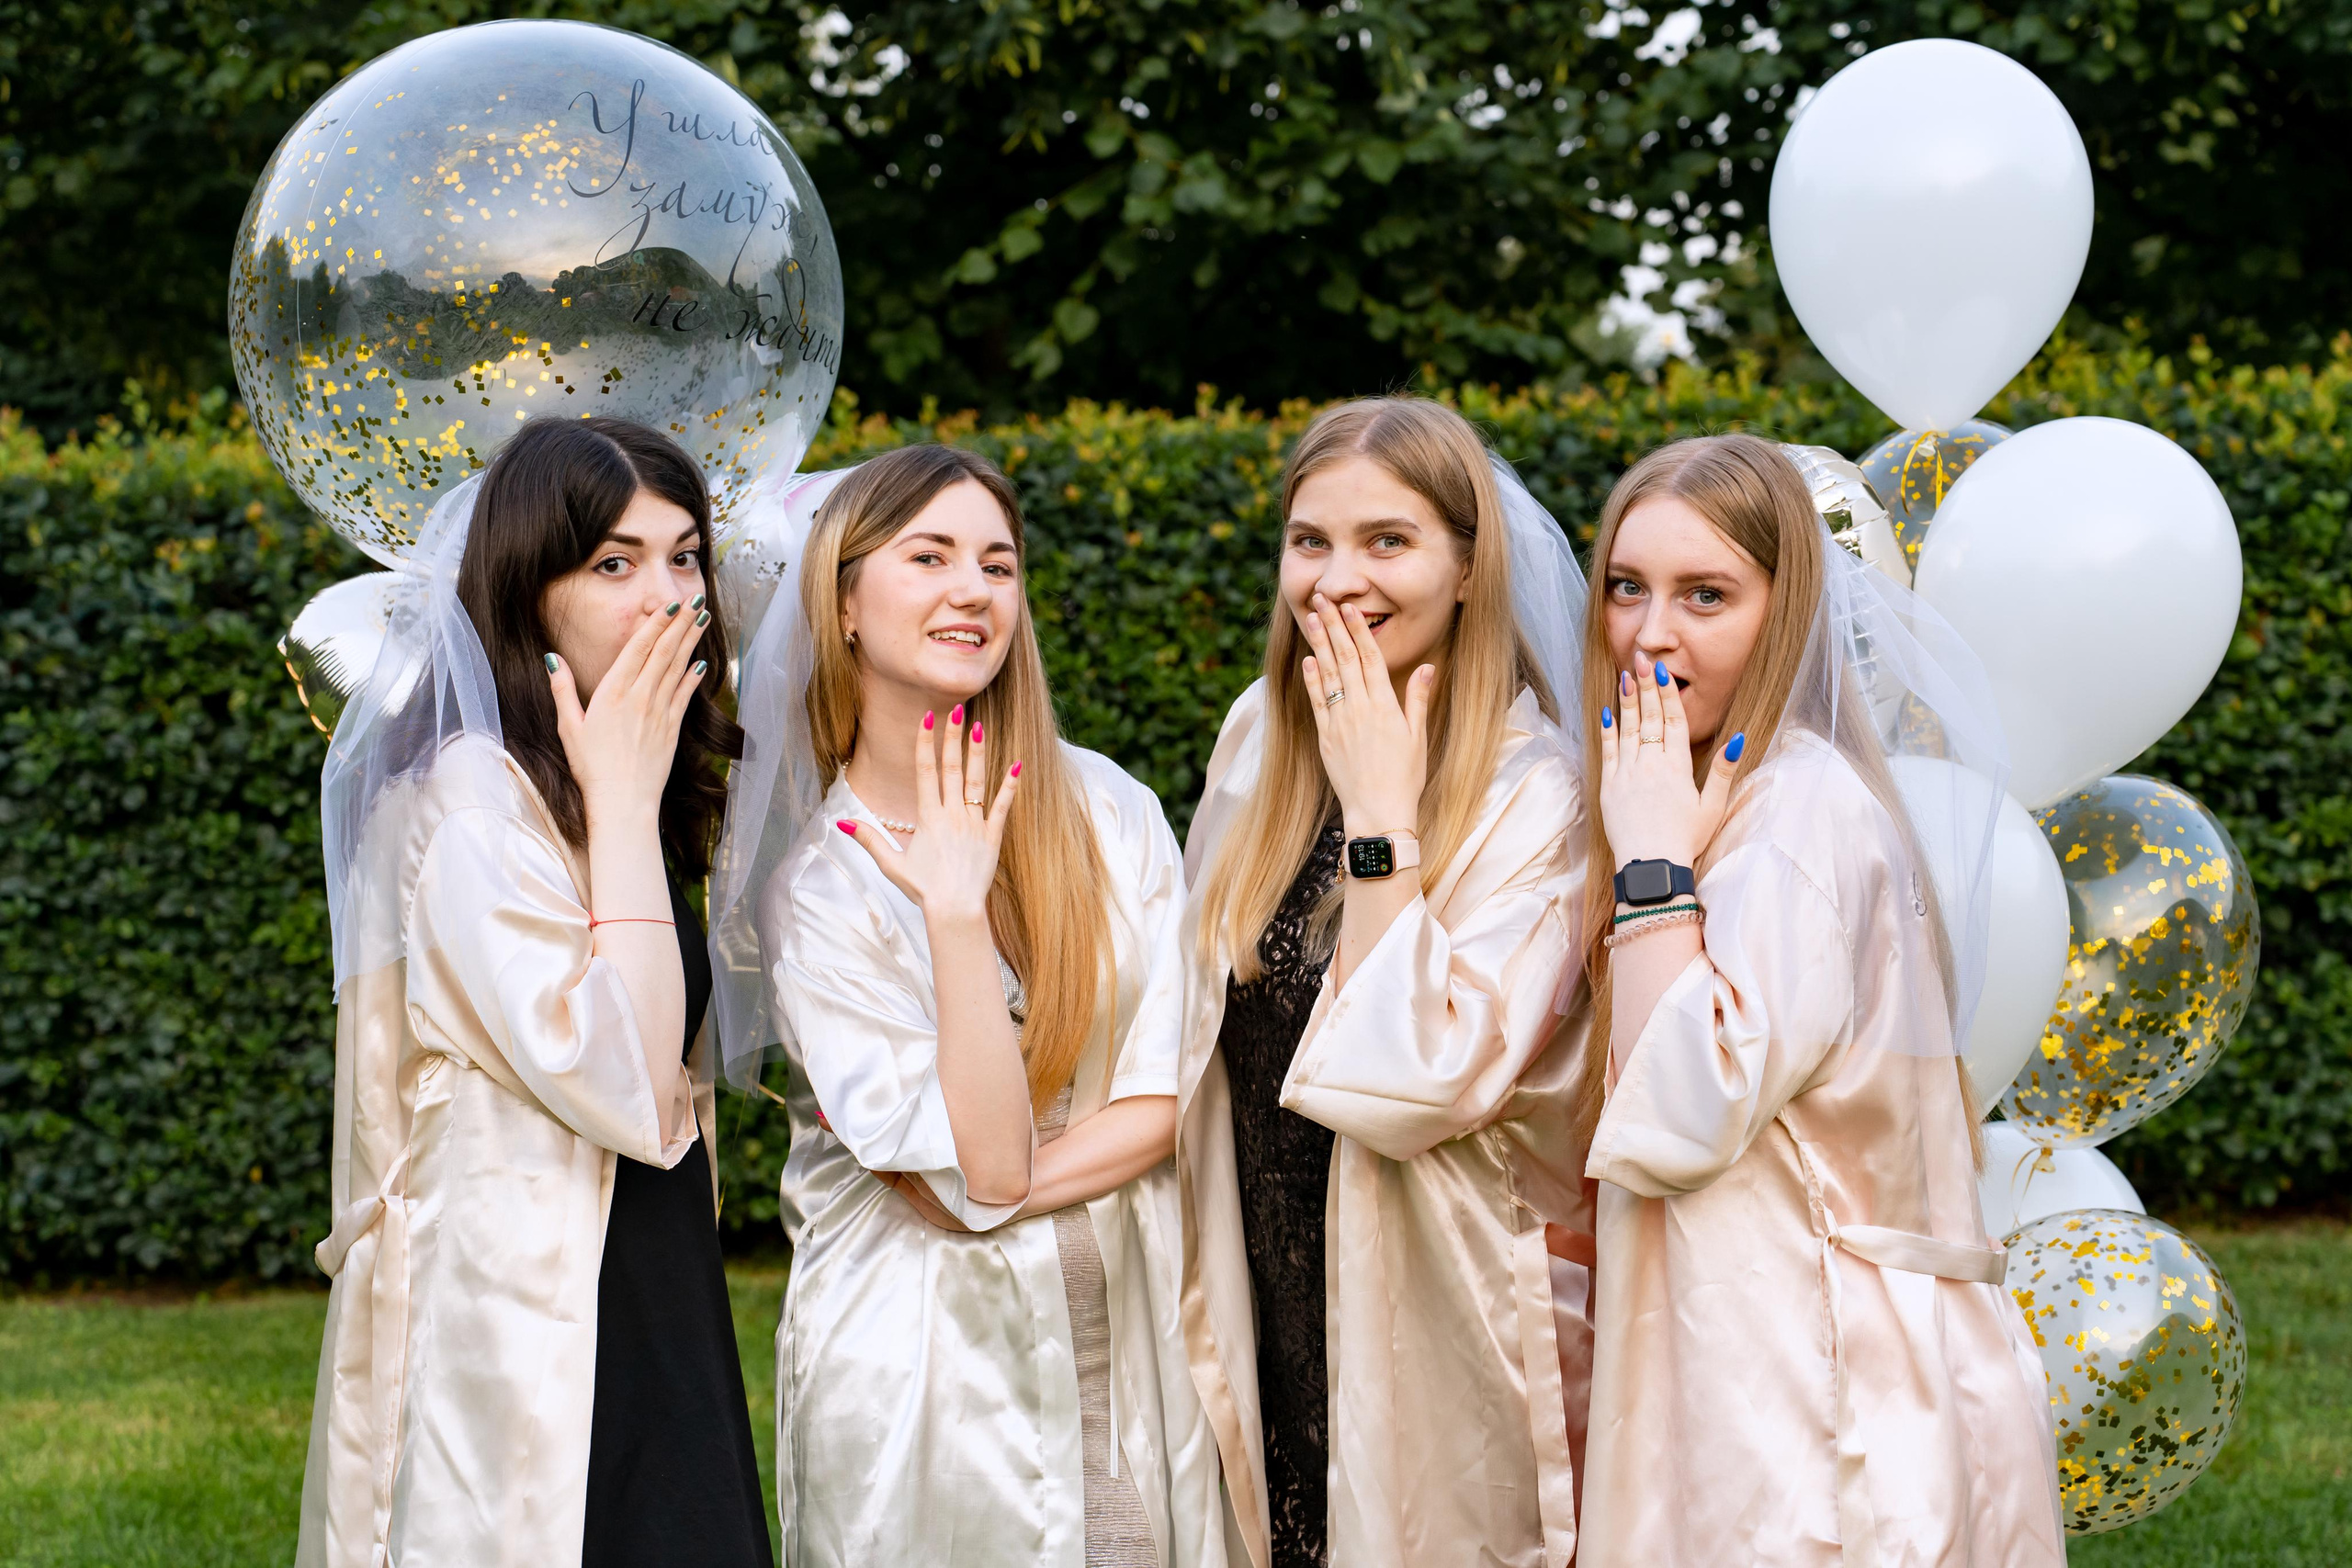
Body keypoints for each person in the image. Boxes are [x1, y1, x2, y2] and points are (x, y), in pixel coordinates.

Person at [707, 443, 1235, 1567]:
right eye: (930, 556)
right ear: (843, 601)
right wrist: (953, 917)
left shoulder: (1105, 808)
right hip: (925, 1371)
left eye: (998, 564)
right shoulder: (816, 888)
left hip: (1134, 1328)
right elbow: (980, 1171)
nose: (972, 590)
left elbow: (1163, 1097)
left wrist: (996, 1181)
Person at [1572, 433, 2065, 1566]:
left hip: (1808, 1388)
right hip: (1746, 1348)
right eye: (1628, 588)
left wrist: (1652, 867)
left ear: (1786, 610)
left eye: (1707, 595)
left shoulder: (1796, 817)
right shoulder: (1731, 795)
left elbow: (1682, 1115)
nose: (1652, 634)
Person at [297, 416, 769, 1568]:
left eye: (682, 555)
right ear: (527, 592)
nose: (665, 595)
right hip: (523, 1297)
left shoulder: (624, 781)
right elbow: (617, 1080)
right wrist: (616, 806)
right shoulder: (468, 800)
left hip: (644, 1259)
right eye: (613, 563)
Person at [1180, 396, 1595, 1568]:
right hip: (1268, 1279)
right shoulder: (1260, 731)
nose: (1336, 578)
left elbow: (1413, 1084)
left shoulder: (1539, 796)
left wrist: (1378, 814)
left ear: (1469, 567)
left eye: (1387, 541)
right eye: (1310, 541)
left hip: (1433, 1309)